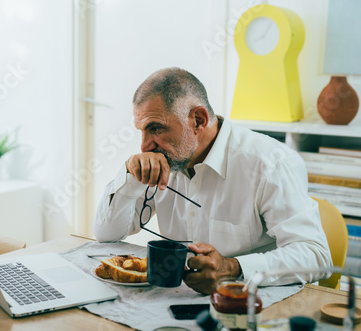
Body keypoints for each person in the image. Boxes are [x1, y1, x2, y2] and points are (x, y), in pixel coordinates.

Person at [93, 67, 333, 294]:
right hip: (174, 301)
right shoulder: (163, 160)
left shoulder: (270, 164)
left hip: (249, 304)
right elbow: (106, 234)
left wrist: (232, 268)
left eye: (155, 128)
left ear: (198, 120)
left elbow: (315, 256)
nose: (144, 145)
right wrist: (129, 178)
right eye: (142, 131)